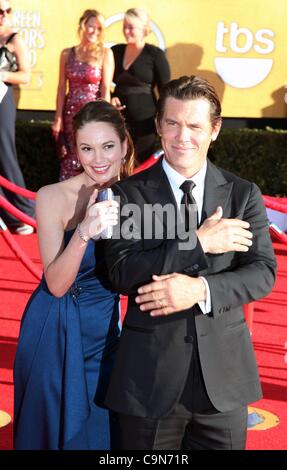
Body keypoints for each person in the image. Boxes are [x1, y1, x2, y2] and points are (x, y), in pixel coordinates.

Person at [104, 75, 277, 450]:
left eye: (195, 125)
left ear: (214, 130)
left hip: (224, 382)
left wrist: (200, 289)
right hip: (148, 381)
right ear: (158, 126)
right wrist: (197, 242)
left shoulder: (242, 194)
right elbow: (120, 272)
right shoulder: (127, 194)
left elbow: (262, 273)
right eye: (173, 123)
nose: (183, 136)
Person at [13, 100, 135, 450]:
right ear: (75, 150)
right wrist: (83, 231)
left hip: (109, 337)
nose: (98, 158)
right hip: (55, 331)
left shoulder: (140, 198)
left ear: (124, 145)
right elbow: (55, 283)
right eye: (87, 148)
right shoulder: (52, 196)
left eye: (108, 146)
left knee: (104, 435)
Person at [51, 9, 114, 181]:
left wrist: (105, 118)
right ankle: (66, 201)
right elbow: (61, 87)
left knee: (90, 156)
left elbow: (105, 88)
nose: (94, 31)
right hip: (70, 115)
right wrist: (58, 118)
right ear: (83, 26)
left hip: (92, 115)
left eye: (99, 28)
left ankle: (91, 202)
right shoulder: (67, 53)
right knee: (70, 159)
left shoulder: (105, 54)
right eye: (91, 26)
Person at [111, 8, 170, 163]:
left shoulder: (155, 54)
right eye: (124, 26)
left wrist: (163, 120)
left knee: (140, 164)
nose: (126, 31)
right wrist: (111, 98)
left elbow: (165, 91)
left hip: (145, 122)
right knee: (116, 162)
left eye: (131, 27)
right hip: (117, 121)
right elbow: (102, 82)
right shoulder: (114, 51)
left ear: (144, 29)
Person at [0, 0, 34, 234]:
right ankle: (5, 215)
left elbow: (25, 75)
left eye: (7, 10)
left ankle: (23, 213)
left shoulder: (14, 38)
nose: (3, 14)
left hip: (2, 99)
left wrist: (1, 73)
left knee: (4, 153)